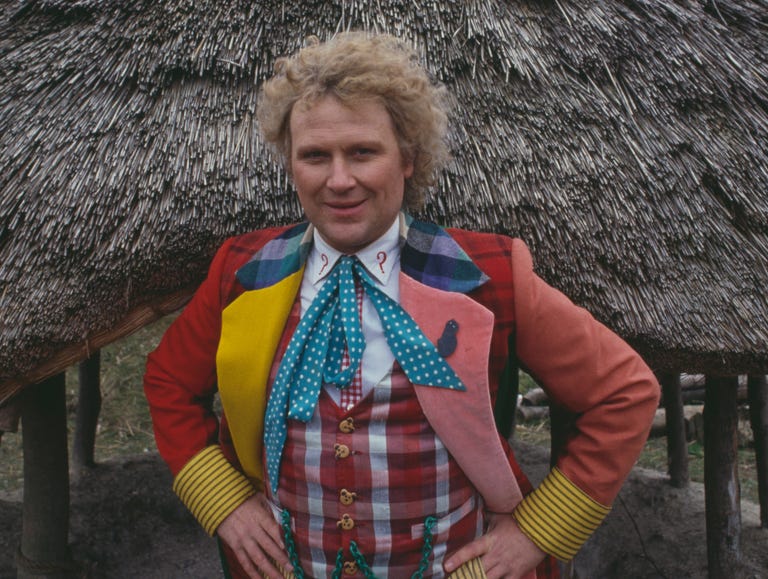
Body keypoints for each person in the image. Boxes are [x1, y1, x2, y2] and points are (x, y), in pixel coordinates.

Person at [144, 32, 660, 579]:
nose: (339, 180)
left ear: (407, 158)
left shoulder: (490, 275)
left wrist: (540, 532)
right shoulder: (244, 273)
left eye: (363, 152)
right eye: (315, 156)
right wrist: (223, 502)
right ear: (291, 165)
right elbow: (169, 383)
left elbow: (624, 392)